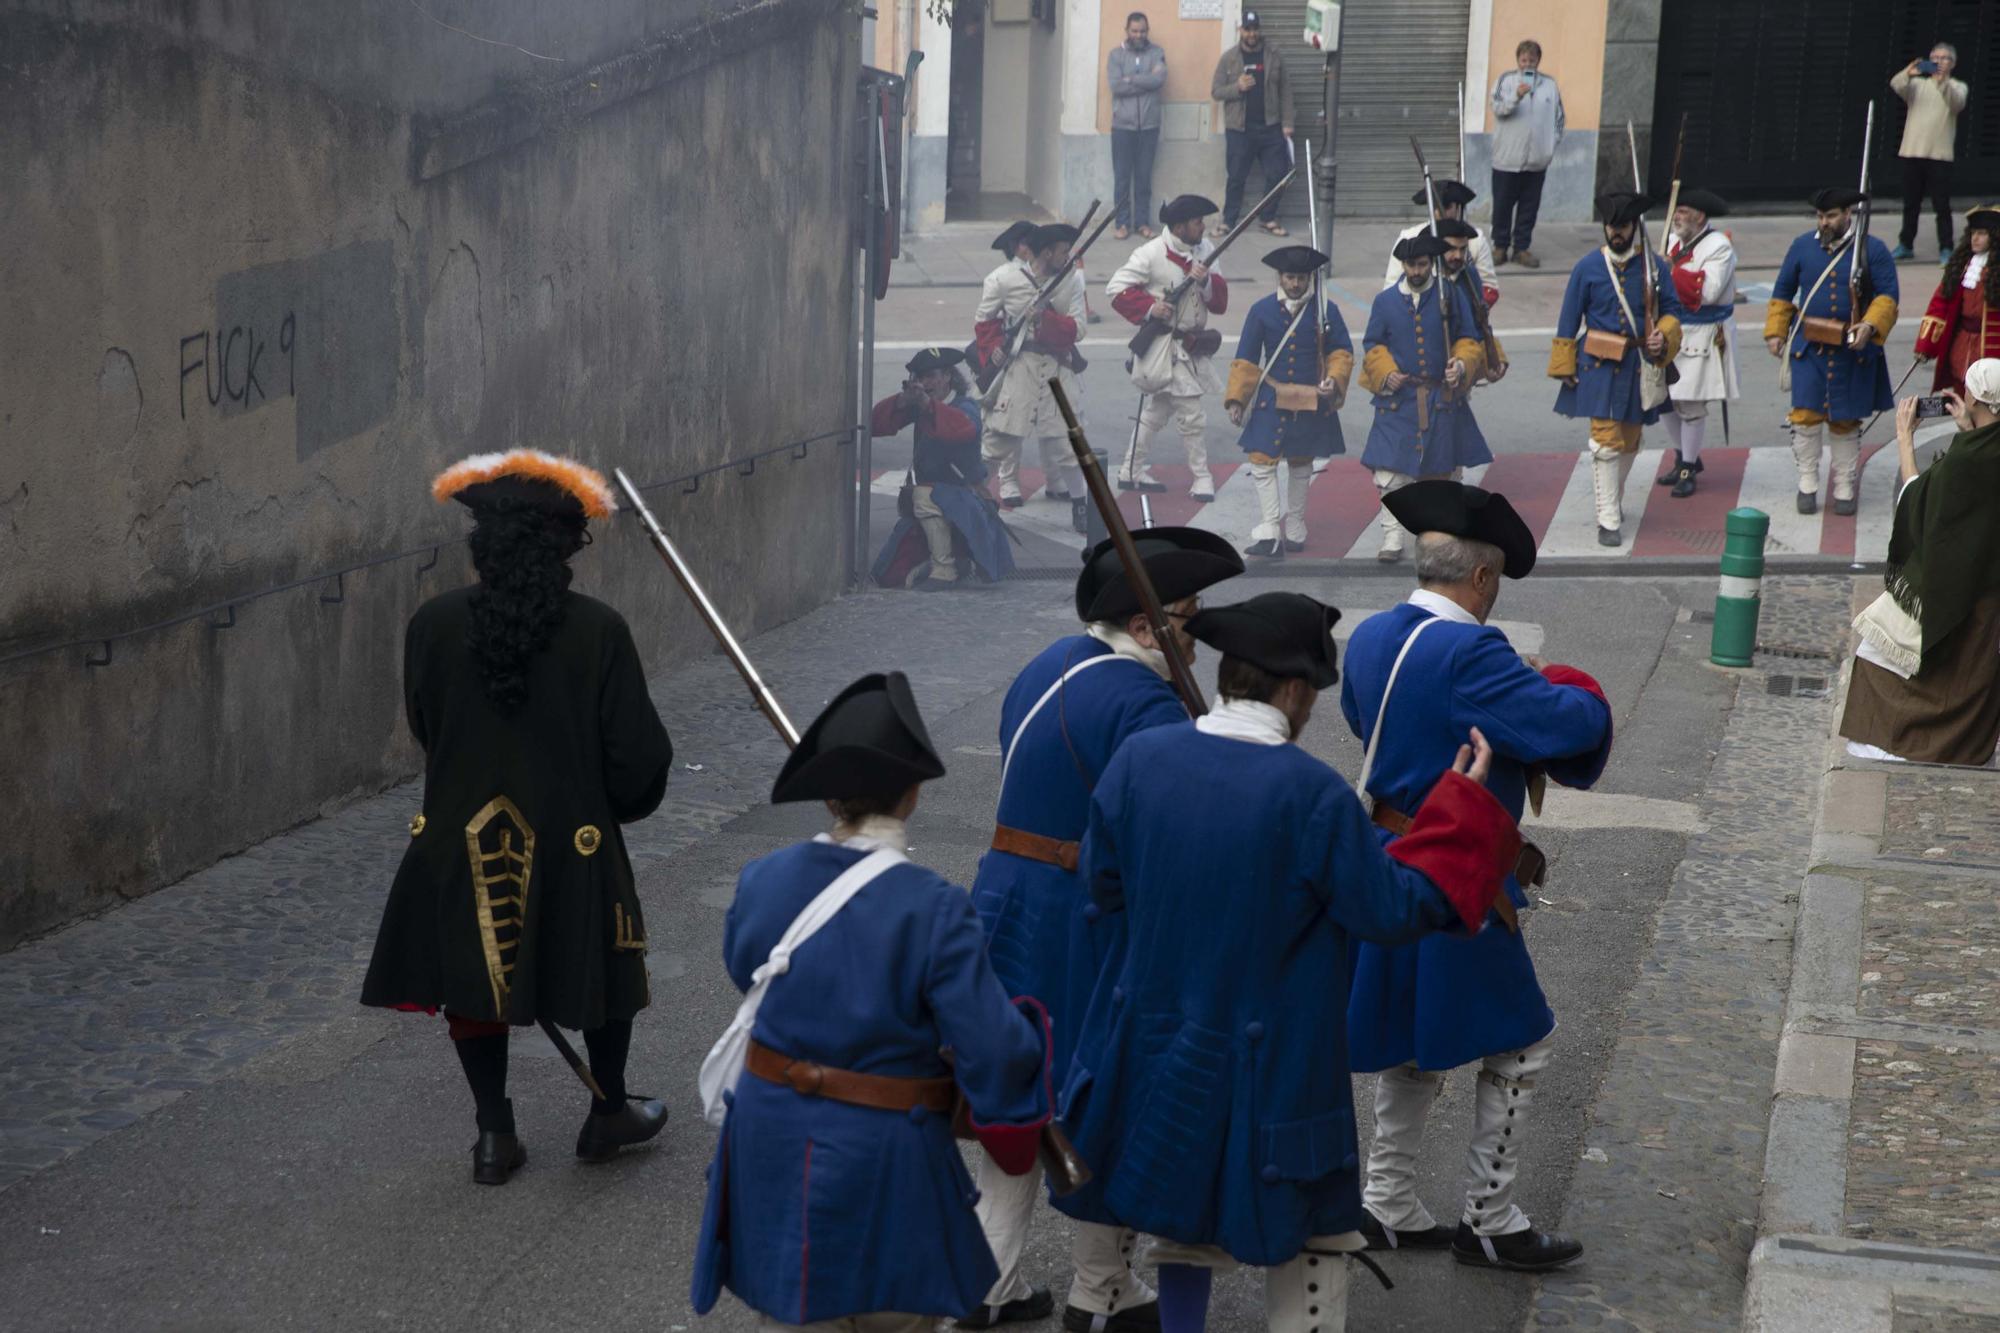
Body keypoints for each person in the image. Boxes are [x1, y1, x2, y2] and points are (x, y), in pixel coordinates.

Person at [1055, 590, 1526, 1333]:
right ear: (1296, 690)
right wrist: (1457, 808)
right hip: (1280, 1061)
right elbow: (1392, 910)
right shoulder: (1310, 794)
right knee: (1311, 1238)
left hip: (1160, 1044)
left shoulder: (1141, 759)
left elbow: (1102, 885)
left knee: (1183, 1224)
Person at [691, 672, 1057, 1332]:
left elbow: (743, 967)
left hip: (770, 1142)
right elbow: (996, 1049)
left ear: (829, 795)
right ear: (912, 794)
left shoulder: (762, 879)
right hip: (884, 1158)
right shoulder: (935, 906)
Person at [361, 450, 672, 1185]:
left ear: (484, 545)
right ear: (563, 546)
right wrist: (610, 807)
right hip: (575, 839)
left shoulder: (432, 624)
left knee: (474, 974)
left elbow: (424, 723)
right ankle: (607, 1110)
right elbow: (637, 758)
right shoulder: (598, 629)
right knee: (601, 967)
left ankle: (494, 1133)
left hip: (459, 832)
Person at [963, 525, 1243, 1333]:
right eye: (1188, 617)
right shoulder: (1144, 701)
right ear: (1150, 626)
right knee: (1099, 1093)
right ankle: (1101, 1282)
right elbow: (1164, 828)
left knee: (1020, 1094)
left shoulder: (1048, 664)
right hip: (1078, 914)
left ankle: (990, 1279)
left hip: (1009, 897)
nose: (1197, 633)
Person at [1343, 480, 1615, 1274]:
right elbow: (1570, 725)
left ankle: (1389, 1201)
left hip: (1387, 859)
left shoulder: (1370, 637)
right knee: (1523, 1042)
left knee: (1412, 1045)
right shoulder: (1471, 652)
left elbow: (1371, 723)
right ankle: (1491, 1218)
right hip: (1456, 870)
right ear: (1483, 578)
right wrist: (1567, 680)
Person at [1840, 372, 2000, 766]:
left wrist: (1904, 440)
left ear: (1975, 397)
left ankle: (1902, 740)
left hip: (1964, 593)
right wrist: (1967, 429)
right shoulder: (1981, 447)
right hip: (1990, 590)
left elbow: (1922, 506)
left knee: (1881, 650)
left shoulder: (1971, 457)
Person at [1549, 191, 1685, 546]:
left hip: (1638, 365)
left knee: (1629, 441)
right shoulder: (1587, 267)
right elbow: (1568, 318)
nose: (1617, 233)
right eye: (1612, 226)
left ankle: (1612, 500)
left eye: (1623, 226)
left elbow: (1672, 312)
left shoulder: (1654, 267)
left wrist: (1663, 337)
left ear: (1634, 227)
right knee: (1605, 443)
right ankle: (1608, 518)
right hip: (1597, 364)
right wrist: (1564, 363)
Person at [1765, 187, 1900, 516]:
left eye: (1831, 216)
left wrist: (1868, 326)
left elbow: (1888, 296)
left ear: (1847, 215)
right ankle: (1807, 483)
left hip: (1852, 350)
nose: (1824, 222)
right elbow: (1783, 290)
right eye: (1820, 216)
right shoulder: (1801, 246)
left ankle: (1844, 485)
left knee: (1845, 421)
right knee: (1806, 417)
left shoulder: (1872, 249)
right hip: (1809, 347)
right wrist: (1775, 331)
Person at [1361, 232, 1491, 563]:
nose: (1415, 271)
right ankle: (1392, 536)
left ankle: (1435, 537)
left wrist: (1461, 364)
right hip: (1398, 398)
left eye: (1421, 265)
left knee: (1441, 472)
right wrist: (1386, 371)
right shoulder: (1385, 302)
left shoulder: (1450, 295)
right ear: (1402, 265)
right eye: (1410, 265)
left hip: (1441, 396)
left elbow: (1469, 337)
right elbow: (1373, 344)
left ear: (1430, 264)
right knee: (1390, 473)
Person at [1225, 245, 1354, 558]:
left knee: (1301, 461)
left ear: (1310, 277)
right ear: (1279, 277)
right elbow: (1246, 356)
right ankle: (1270, 526)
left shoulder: (1327, 310)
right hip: (1271, 396)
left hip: (1311, 399)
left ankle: (1295, 525)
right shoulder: (1261, 310)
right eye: (1290, 276)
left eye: (1301, 277)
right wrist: (1237, 399)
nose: (1295, 283)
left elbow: (1341, 353)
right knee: (1260, 459)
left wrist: (1333, 380)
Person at [1108, 193, 1231, 501]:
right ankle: (1201, 477)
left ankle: (1130, 470)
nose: (1202, 226)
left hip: (1191, 345)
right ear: (1179, 227)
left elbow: (1219, 302)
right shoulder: (1150, 253)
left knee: (1156, 412)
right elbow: (1116, 289)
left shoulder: (1206, 250)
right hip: (1166, 346)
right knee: (1191, 415)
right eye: (1196, 222)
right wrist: (1152, 308)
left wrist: (1203, 283)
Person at [868, 347, 1014, 590]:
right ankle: (953, 561)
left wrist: (925, 403)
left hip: (963, 498)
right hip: (937, 501)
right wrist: (904, 400)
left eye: (931, 376)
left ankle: (944, 569)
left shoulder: (965, 406)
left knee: (923, 495)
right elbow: (875, 424)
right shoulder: (924, 406)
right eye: (921, 377)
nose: (926, 382)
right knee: (888, 573)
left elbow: (961, 429)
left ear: (947, 376)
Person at [974, 222, 1087, 512]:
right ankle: (973, 498)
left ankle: (1081, 506)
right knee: (999, 439)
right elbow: (984, 322)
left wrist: (1044, 320)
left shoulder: (1072, 281)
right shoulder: (1001, 279)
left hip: (1056, 366)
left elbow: (1078, 329)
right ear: (1047, 252)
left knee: (1067, 443)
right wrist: (994, 350)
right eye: (1063, 251)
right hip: (1020, 365)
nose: (1069, 257)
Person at [1657, 187, 1741, 498]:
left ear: (1700, 216)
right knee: (1663, 399)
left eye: (1683, 212)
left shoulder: (1720, 246)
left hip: (1703, 334)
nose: (1676, 216)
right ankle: (1683, 455)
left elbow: (1707, 291)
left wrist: (1667, 270)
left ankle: (1688, 467)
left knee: (1690, 404)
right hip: (1673, 331)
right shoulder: (1673, 240)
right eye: (1676, 211)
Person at [1209, 11, 1293, 238]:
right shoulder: (1229, 58)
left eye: (1255, 29)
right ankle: (1228, 220)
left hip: (1270, 126)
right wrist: (1237, 87)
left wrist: (1287, 122)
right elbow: (1216, 91)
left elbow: (1285, 90)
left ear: (1259, 30)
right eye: (1248, 29)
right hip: (1240, 129)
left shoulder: (1274, 55)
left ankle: (1267, 218)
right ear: (1241, 30)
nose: (1252, 33)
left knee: (1278, 174)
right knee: (1236, 176)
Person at [1488, 39, 1565, 269]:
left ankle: (1521, 248)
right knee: (1502, 205)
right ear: (1517, 60)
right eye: (1524, 59)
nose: (1527, 63)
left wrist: (1549, 148)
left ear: (1538, 61)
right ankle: (1500, 247)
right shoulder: (1505, 81)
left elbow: (1559, 120)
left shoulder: (1549, 85)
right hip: (1507, 159)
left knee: (1529, 208)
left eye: (1532, 59)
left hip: (1536, 162)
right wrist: (1517, 96)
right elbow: (1498, 109)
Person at [1891, 45, 1970, 262]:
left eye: (1944, 58)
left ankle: (1946, 247)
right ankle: (1905, 244)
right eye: (1934, 57)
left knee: (1941, 205)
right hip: (1912, 152)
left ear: (1952, 63)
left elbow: (1956, 103)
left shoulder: (1957, 86)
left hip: (1939, 155)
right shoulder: (1917, 85)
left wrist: (1941, 81)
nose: (1939, 61)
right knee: (1910, 203)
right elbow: (1897, 85)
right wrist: (1908, 72)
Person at [1913, 206, 2000, 399]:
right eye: (1973, 233)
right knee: (1962, 397)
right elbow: (1939, 305)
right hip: (1962, 345)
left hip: (1993, 351)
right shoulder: (1961, 267)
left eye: (1982, 233)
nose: (1975, 239)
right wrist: (1925, 346)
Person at [1381, 181, 1499, 303]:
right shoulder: (1410, 237)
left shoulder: (1476, 239)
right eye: (1435, 207)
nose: (1439, 212)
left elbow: (1490, 289)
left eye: (1446, 207)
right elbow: (1391, 288)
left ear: (1458, 207)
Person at [1108, 12, 1167, 241]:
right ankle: (1122, 223)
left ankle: (1142, 223)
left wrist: (1130, 79)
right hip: (1122, 126)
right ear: (1127, 30)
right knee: (1122, 178)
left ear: (1147, 30)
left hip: (1149, 126)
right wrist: (1144, 81)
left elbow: (1159, 80)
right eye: (1134, 31)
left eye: (1142, 30)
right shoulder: (1116, 55)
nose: (1139, 35)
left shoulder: (1157, 53)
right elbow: (1116, 86)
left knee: (1144, 178)